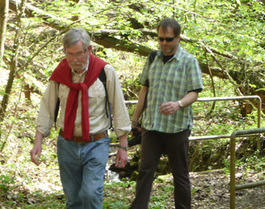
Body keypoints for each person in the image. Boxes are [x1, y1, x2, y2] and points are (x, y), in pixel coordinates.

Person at [30, 28, 131, 208]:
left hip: (96, 142)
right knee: (74, 199)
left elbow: (119, 108)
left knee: (91, 193)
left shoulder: (105, 72)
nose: (74, 60)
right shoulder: (60, 74)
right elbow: (47, 108)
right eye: (70, 54)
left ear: (89, 50)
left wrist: (123, 146)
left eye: (79, 54)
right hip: (67, 144)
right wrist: (38, 142)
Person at [130, 18, 203, 209]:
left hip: (177, 127)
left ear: (178, 38)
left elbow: (194, 92)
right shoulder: (152, 58)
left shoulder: (189, 61)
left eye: (169, 39)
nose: (164, 43)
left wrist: (178, 104)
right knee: (145, 171)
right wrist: (136, 120)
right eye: (161, 39)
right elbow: (144, 90)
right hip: (152, 125)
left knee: (180, 173)